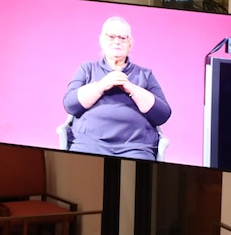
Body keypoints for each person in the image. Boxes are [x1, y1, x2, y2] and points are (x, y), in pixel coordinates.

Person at [63, 15, 171, 160]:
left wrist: (132, 88)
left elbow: (162, 114)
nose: (116, 42)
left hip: (136, 147)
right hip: (89, 144)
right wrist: (101, 85)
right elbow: (70, 104)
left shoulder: (144, 74)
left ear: (130, 44)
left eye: (122, 38)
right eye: (111, 37)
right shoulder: (87, 69)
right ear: (101, 41)